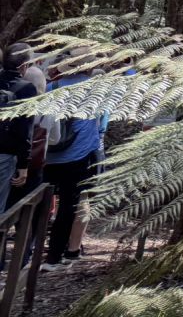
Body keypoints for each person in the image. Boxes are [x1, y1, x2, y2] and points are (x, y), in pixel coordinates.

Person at [40, 66, 104, 271]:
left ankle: (28, 252)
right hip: (80, 155)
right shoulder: (96, 90)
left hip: (49, 156)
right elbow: (100, 125)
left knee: (41, 205)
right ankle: (55, 256)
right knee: (70, 205)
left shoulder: (52, 87)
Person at [0, 43, 38, 215]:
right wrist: (24, 165)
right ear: (24, 65)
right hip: (5, 155)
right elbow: (25, 130)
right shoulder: (27, 88)